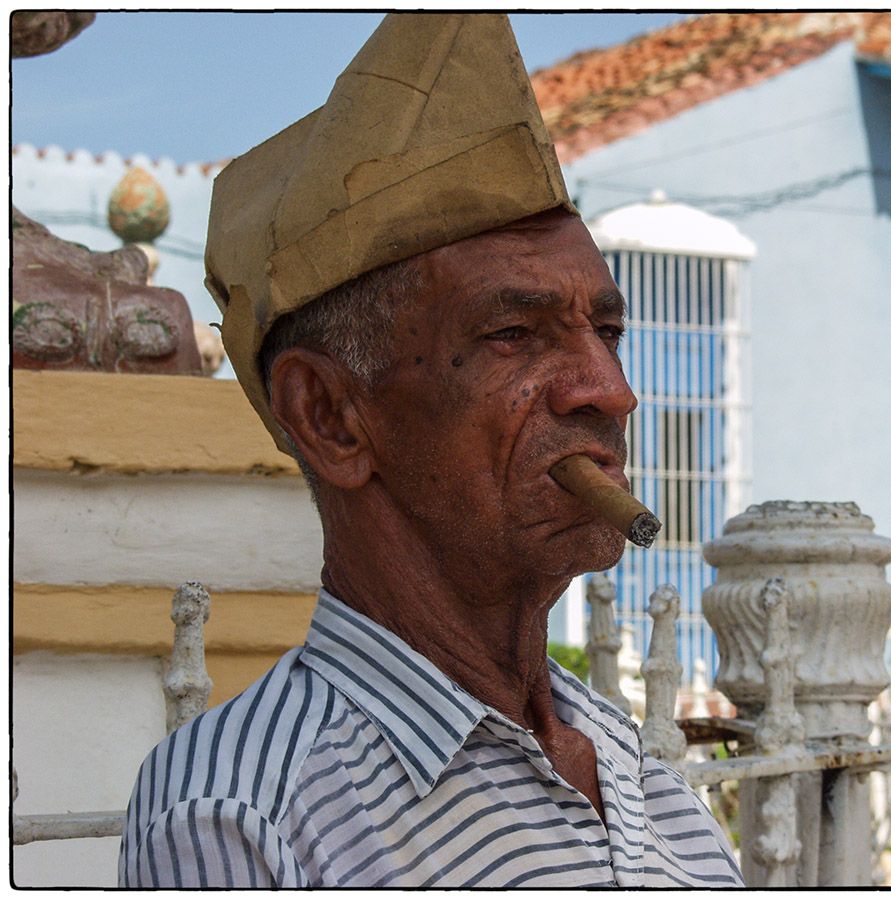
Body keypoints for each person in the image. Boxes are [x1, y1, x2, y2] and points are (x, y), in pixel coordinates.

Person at [118, 13, 742, 888]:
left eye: (607, 329)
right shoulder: (245, 813)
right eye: (514, 334)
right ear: (331, 416)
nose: (610, 390)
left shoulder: (642, 776)